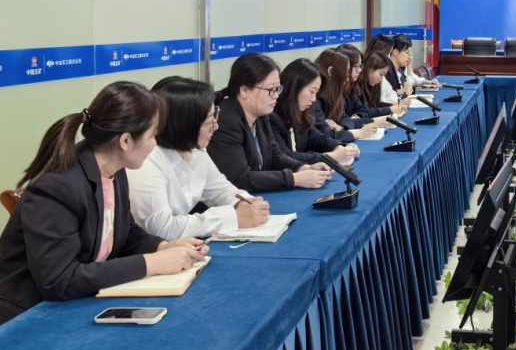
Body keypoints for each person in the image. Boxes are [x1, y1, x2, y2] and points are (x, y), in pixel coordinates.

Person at [0, 82, 208, 325]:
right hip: (26, 315)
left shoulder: (114, 169)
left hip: (75, 302)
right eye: (153, 135)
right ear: (126, 141)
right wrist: (151, 263)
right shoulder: (57, 185)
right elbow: (58, 280)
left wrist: (163, 247)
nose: (155, 143)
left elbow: (126, 233)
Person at [129, 77, 270, 240]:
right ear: (185, 125)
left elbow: (220, 189)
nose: (216, 127)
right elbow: (162, 229)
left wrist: (245, 203)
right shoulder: (148, 160)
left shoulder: (195, 149)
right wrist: (232, 217)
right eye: (209, 122)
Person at [208, 53, 332, 192]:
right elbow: (240, 179)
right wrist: (294, 179)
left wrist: (303, 167)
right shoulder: (226, 120)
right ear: (245, 90)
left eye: (278, 89)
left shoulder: (261, 113)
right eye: (271, 90)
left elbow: (274, 155)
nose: (276, 96)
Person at [270, 58, 360, 165]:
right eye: (312, 91)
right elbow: (285, 156)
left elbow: (317, 137)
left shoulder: (301, 113)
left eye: (316, 93)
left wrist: (339, 147)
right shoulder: (271, 117)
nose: (314, 99)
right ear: (295, 87)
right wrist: (331, 156)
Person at [314, 48, 381, 137]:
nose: (346, 80)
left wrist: (340, 127)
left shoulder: (334, 93)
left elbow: (346, 118)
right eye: (345, 76)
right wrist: (359, 133)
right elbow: (325, 134)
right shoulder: (315, 97)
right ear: (330, 72)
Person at [335, 45, 400, 130]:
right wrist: (383, 115)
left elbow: (363, 110)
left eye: (360, 66)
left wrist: (358, 116)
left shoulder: (351, 88)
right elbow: (344, 121)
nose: (359, 70)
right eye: (356, 66)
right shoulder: (335, 92)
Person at [357, 51, 410, 118]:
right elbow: (363, 112)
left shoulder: (373, 85)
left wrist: (396, 106)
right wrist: (389, 109)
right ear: (370, 68)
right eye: (381, 74)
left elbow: (376, 105)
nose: (381, 80)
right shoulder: (357, 88)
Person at [382, 34, 415, 104]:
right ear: (395, 52)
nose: (410, 57)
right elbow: (385, 97)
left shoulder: (399, 70)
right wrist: (401, 91)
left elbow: (409, 88)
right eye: (407, 53)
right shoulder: (386, 72)